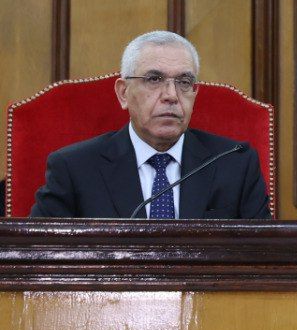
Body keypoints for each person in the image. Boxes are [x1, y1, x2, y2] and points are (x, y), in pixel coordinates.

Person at [29, 31, 271, 219]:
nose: (171, 95)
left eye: (184, 81)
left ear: (194, 93)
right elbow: (38, 255)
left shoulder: (235, 164)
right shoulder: (74, 169)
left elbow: (262, 256)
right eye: (154, 79)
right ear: (123, 93)